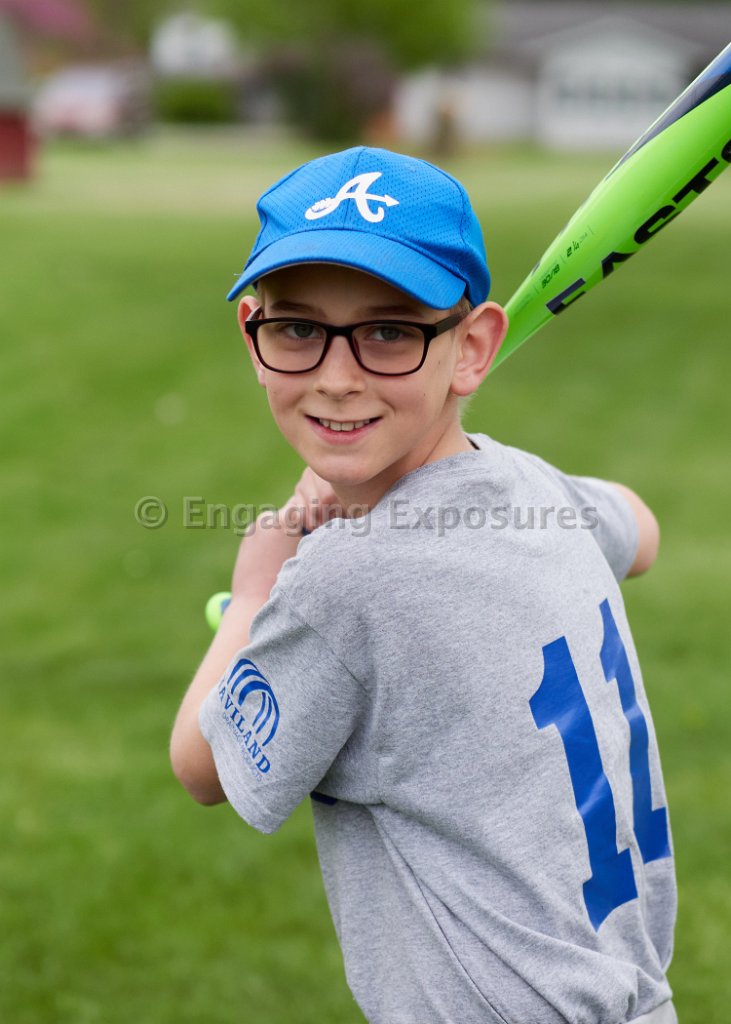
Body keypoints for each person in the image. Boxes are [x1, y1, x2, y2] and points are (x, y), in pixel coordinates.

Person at [170, 147, 677, 1024]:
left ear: (471, 347)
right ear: (252, 332)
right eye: (297, 330)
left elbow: (203, 764)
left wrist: (254, 593)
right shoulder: (529, 487)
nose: (336, 377)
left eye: (389, 333)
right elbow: (640, 529)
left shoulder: (346, 583)